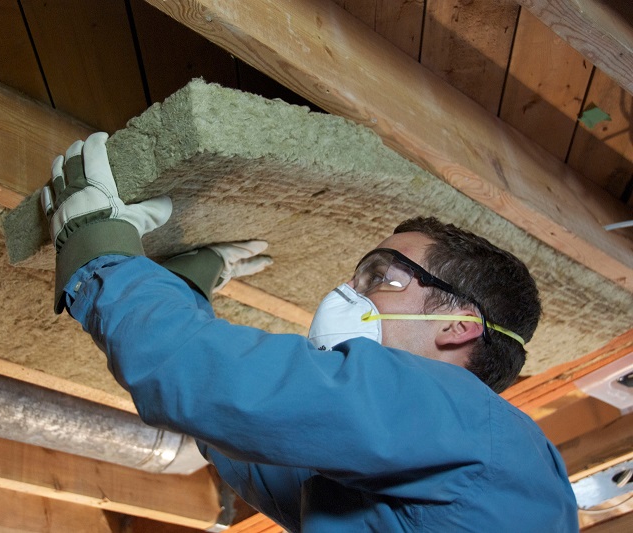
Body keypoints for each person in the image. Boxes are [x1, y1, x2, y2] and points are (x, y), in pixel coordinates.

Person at [40, 133, 578, 532]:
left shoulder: (482, 432)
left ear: (459, 327)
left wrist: (99, 252)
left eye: (380, 277)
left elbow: (214, 385)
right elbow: (239, 433)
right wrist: (183, 291)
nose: (347, 291)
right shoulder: (387, 477)